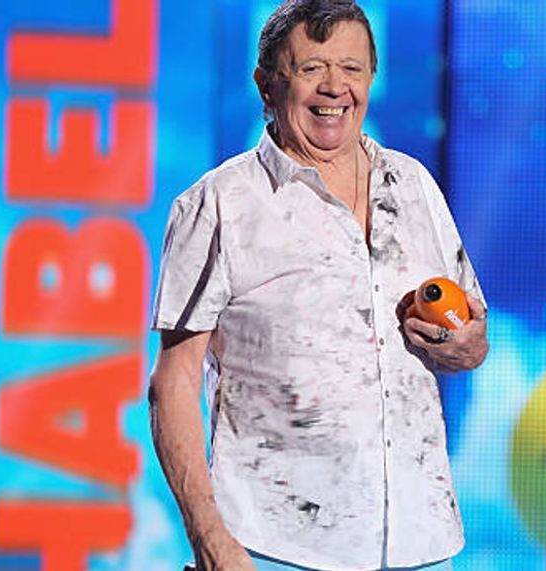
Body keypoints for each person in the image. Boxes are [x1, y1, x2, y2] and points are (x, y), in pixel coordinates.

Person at [147, 2, 488, 570]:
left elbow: (472, 335)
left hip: (421, 544)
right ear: (266, 85)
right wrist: (210, 537)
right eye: (311, 69)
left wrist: (466, 347)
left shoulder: (415, 188)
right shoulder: (220, 205)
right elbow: (173, 383)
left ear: (371, 79)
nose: (335, 88)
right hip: (273, 547)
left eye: (352, 69)